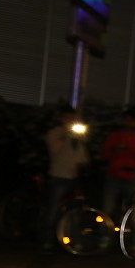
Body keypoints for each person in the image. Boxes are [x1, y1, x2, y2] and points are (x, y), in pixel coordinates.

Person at [41, 107, 90, 251]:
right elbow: (54, 150)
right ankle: (47, 241)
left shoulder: (77, 137)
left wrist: (84, 164)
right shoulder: (54, 133)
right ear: (62, 118)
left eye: (73, 118)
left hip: (74, 178)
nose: (71, 121)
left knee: (75, 211)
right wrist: (64, 133)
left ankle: (73, 240)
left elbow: (83, 156)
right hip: (59, 176)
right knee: (54, 209)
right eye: (68, 118)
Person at [100, 108, 135, 221]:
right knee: (108, 208)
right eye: (126, 120)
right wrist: (114, 150)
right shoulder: (114, 136)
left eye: (131, 120)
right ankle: (105, 232)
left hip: (132, 177)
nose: (128, 122)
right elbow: (103, 155)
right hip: (114, 176)